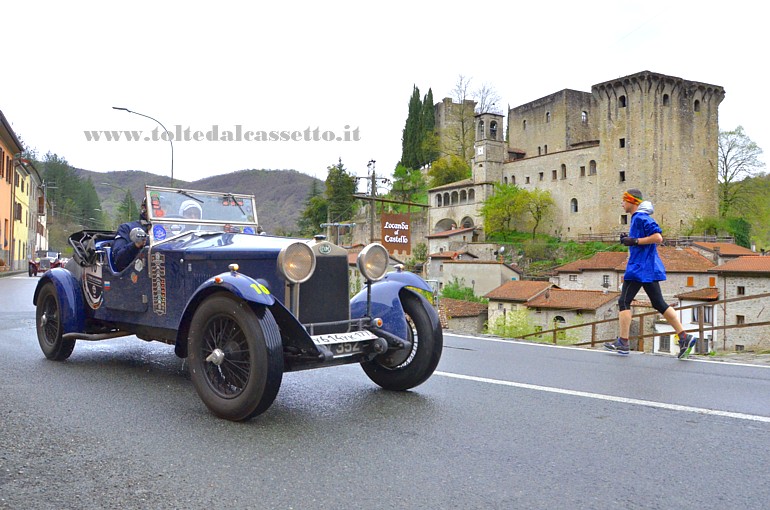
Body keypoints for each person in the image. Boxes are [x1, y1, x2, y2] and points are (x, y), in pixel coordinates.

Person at [604, 189, 697, 358]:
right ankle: (684, 337)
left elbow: (658, 237)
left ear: (632, 202)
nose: (621, 204)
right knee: (659, 303)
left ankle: (623, 342)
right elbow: (643, 240)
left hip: (639, 268)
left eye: (624, 201)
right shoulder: (638, 218)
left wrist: (635, 241)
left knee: (624, 302)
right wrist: (629, 240)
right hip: (649, 267)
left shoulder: (640, 217)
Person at [111, 198, 149, 272]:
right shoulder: (127, 228)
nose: (161, 210)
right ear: (144, 208)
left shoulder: (173, 231)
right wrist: (136, 245)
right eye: (155, 207)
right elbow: (118, 261)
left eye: (165, 207)